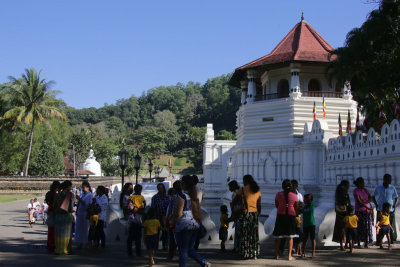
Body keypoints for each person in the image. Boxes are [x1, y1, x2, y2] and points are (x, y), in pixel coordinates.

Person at [172, 175, 211, 267]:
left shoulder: (181, 196)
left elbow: (178, 213)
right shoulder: (194, 196)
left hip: (183, 225)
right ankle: (203, 262)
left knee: (183, 250)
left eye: (181, 182)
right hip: (194, 224)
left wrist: (172, 222)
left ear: (184, 184)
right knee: (188, 248)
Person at [236, 174, 261, 260]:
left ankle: (244, 253)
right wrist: (259, 213)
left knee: (244, 234)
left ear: (246, 181)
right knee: (253, 234)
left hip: (245, 214)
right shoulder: (257, 191)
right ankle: (254, 254)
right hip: (254, 214)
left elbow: (236, 200)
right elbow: (259, 204)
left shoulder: (242, 189)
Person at [272, 179, 298, 261]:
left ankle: (276, 255)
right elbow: (296, 207)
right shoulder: (294, 196)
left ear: (282, 186)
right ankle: (289, 256)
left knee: (278, 236)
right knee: (290, 237)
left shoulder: (278, 194)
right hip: (291, 216)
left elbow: (277, 205)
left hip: (280, 216)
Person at [372, 173, 398, 244]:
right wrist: (376, 205)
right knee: (379, 225)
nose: (389, 181)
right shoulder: (378, 187)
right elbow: (373, 196)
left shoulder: (392, 188)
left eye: (390, 180)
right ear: (384, 180)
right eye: (388, 180)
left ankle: (391, 240)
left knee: (391, 225)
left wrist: (395, 205)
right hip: (380, 210)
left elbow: (396, 197)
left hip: (390, 210)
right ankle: (379, 241)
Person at [54, 180, 74, 255]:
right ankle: (64, 249)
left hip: (58, 215)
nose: (71, 188)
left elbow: (54, 205)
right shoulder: (69, 194)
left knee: (58, 233)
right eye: (70, 186)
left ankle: (58, 249)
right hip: (66, 216)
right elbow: (70, 207)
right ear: (68, 187)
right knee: (66, 233)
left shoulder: (57, 194)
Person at [353, 177, 373, 248]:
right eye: (362, 183)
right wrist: (367, 206)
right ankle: (358, 242)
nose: (363, 184)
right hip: (359, 211)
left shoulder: (365, 190)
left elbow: (371, 197)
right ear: (358, 183)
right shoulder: (356, 191)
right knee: (359, 226)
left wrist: (366, 203)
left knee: (367, 226)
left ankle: (366, 242)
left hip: (366, 211)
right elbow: (359, 202)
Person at [127, 184, 146, 257]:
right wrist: (138, 210)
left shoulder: (140, 197)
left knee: (136, 237)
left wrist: (138, 210)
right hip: (134, 218)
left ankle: (136, 252)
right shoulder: (132, 197)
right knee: (133, 237)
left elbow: (144, 204)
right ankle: (133, 252)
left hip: (137, 217)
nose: (140, 191)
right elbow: (130, 206)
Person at [332, 180, 351, 250]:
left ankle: (346, 243)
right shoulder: (340, 195)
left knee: (346, 229)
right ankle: (342, 244)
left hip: (345, 213)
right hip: (341, 213)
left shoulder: (345, 194)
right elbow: (343, 203)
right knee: (341, 229)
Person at [75, 181, 93, 249]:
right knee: (79, 229)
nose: (82, 189)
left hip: (85, 214)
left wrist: (79, 199)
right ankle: (80, 242)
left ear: (87, 187)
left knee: (85, 229)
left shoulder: (90, 195)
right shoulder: (83, 194)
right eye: (82, 187)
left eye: (84, 187)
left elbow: (87, 205)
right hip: (80, 213)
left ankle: (86, 242)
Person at [151, 183, 170, 250]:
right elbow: (152, 207)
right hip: (157, 217)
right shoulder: (154, 197)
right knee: (157, 232)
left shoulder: (167, 197)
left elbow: (169, 207)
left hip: (165, 217)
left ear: (164, 188)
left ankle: (165, 246)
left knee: (166, 232)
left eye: (161, 188)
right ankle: (155, 246)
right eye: (158, 188)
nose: (160, 189)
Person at [166, 181, 181, 260]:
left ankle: (171, 253)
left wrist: (168, 219)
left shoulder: (174, 197)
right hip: (180, 220)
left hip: (173, 220)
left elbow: (170, 210)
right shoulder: (184, 196)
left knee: (172, 238)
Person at [45, 180, 60, 253]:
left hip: (50, 210)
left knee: (50, 229)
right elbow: (55, 203)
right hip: (54, 211)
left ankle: (49, 245)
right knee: (54, 230)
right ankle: (52, 245)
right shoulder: (55, 194)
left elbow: (47, 201)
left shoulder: (48, 193)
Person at [302, 193, 316, 258]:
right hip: (305, 224)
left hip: (311, 224)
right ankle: (303, 252)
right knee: (304, 239)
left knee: (312, 238)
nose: (304, 200)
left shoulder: (311, 205)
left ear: (309, 200)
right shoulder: (304, 207)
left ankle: (313, 252)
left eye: (305, 199)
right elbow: (300, 211)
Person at [228, 180, 240, 251]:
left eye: (229, 187)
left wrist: (232, 215)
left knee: (237, 231)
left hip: (237, 213)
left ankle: (236, 247)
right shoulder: (240, 191)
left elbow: (234, 206)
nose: (229, 189)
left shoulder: (235, 194)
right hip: (241, 213)